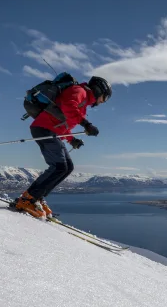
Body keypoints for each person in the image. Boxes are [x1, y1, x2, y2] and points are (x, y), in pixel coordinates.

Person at [13, 76, 112, 219]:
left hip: (50, 130)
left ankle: (37, 196)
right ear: (98, 90)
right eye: (105, 97)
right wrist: (86, 124)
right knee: (58, 166)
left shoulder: (83, 101)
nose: (103, 101)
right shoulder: (80, 91)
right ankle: (28, 199)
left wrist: (72, 140)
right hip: (44, 129)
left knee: (68, 167)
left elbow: (63, 124)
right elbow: (68, 107)